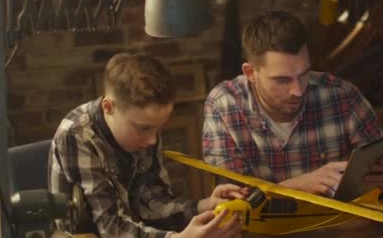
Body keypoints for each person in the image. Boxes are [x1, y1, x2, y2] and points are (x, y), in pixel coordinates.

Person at [203, 11, 383, 202]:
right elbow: (234, 205)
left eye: (304, 74)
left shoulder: (343, 96)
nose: (298, 90)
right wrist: (299, 185)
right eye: (282, 80)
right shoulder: (225, 105)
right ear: (250, 73)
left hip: (336, 230)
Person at [49, 52, 244, 238]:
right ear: (108, 107)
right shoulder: (76, 135)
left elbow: (152, 203)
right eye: (144, 128)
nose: (152, 140)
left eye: (158, 129)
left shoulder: (145, 132)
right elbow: (110, 228)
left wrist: (204, 205)